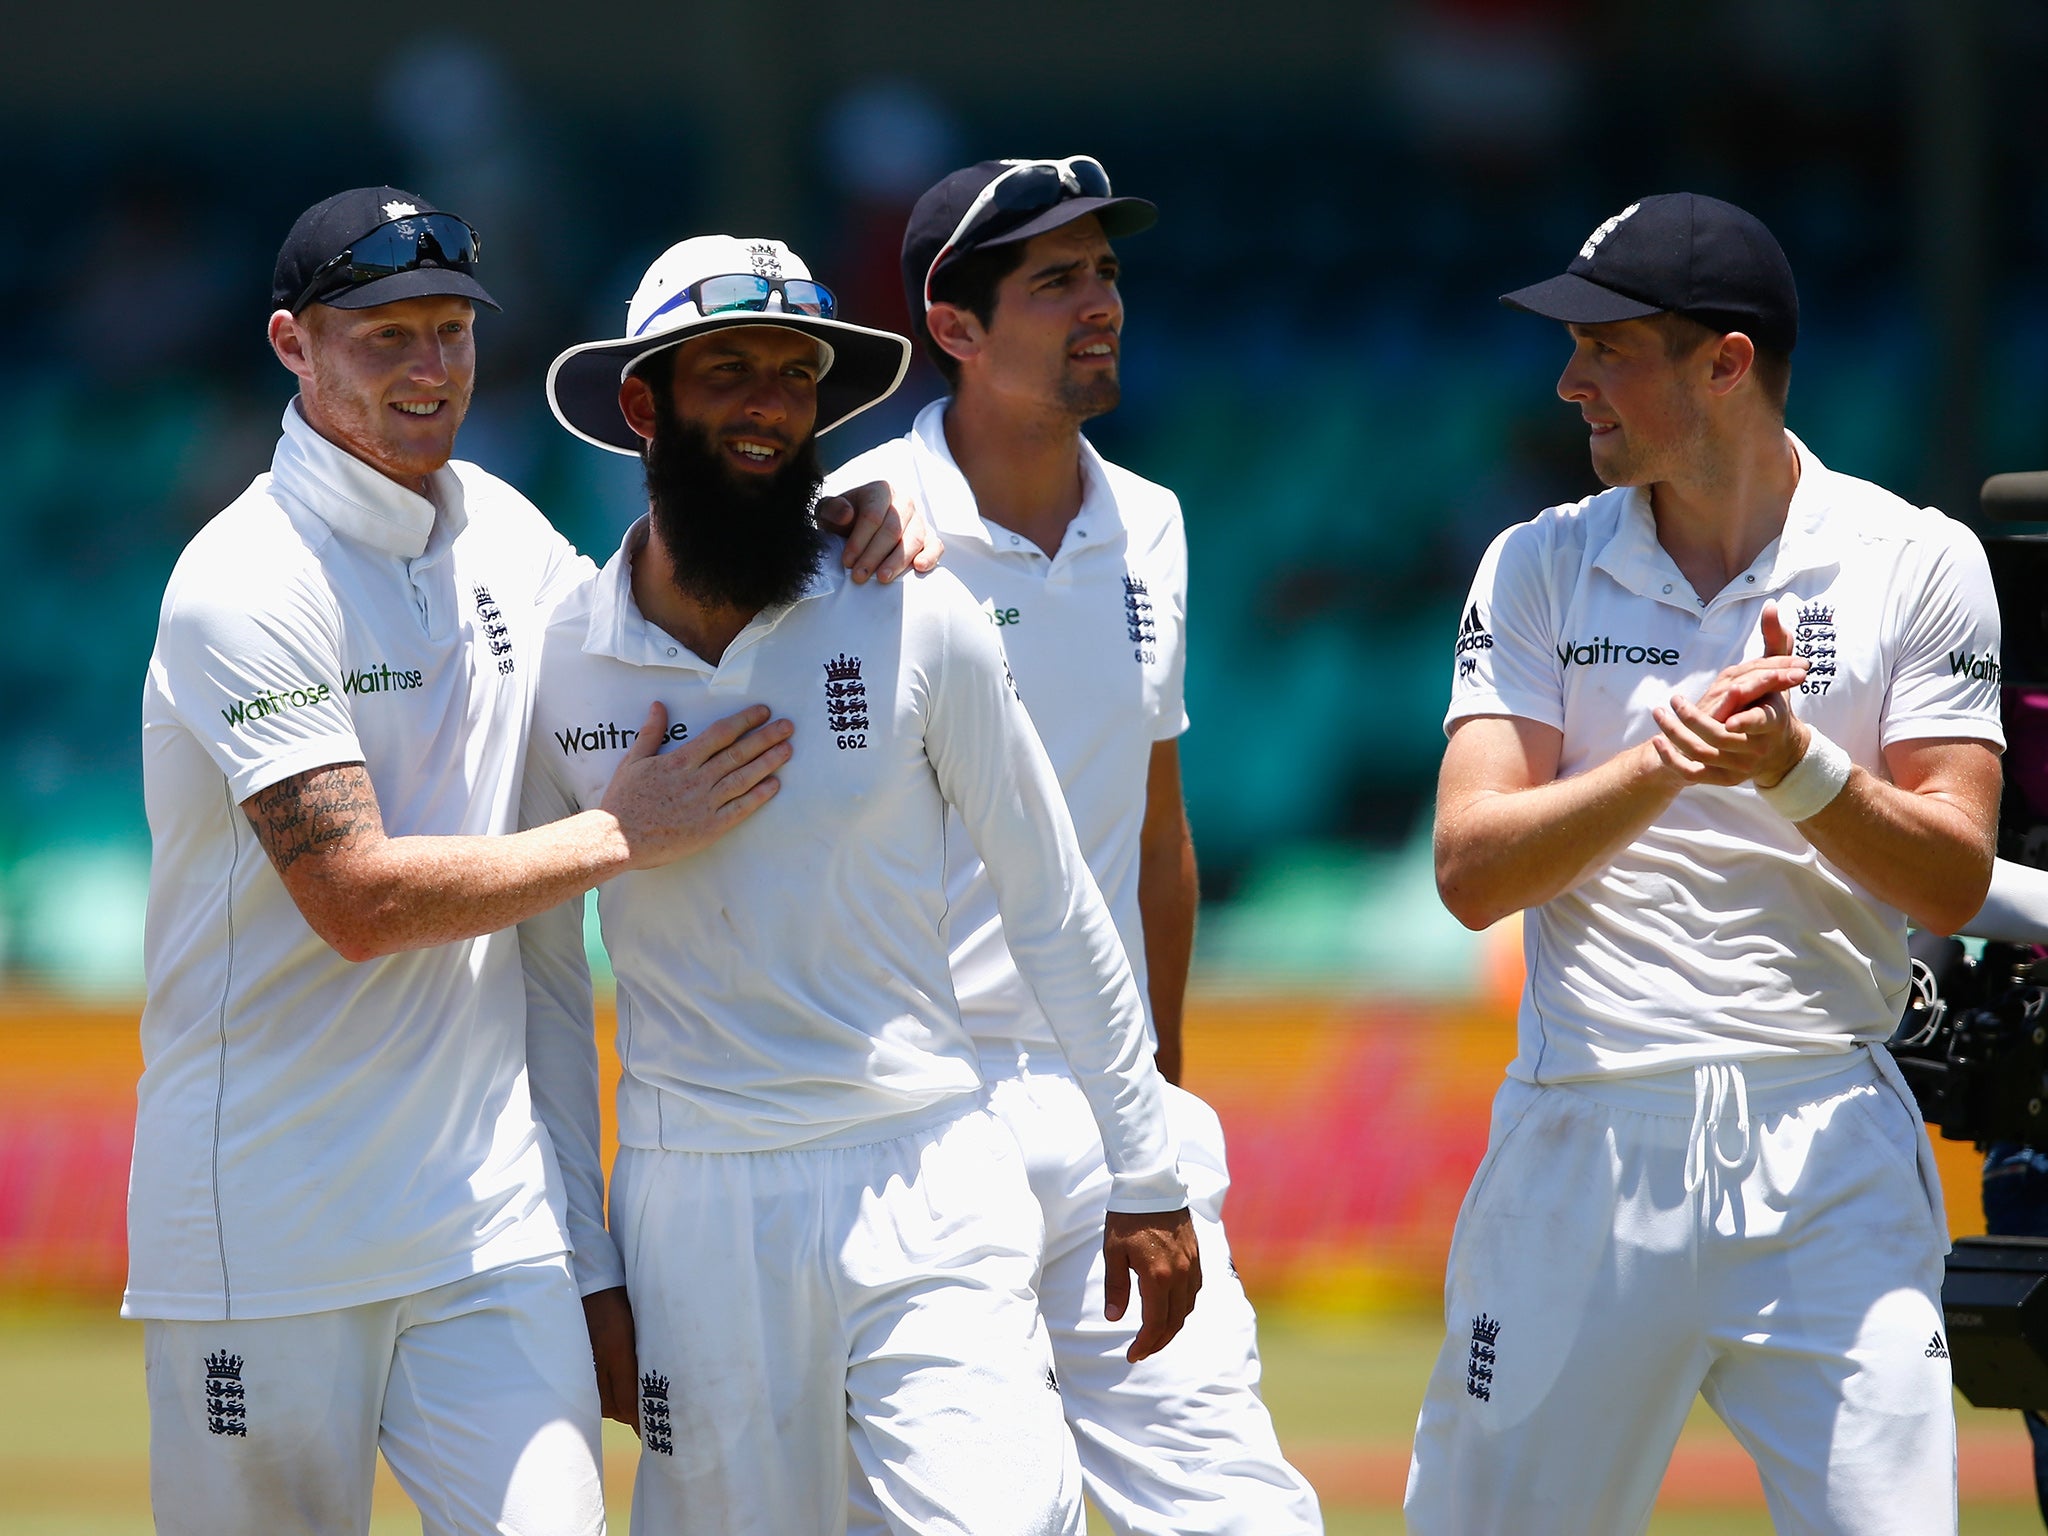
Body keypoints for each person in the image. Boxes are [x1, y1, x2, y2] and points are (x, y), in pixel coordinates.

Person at [128, 187, 932, 1536]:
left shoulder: (504, 531)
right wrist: (621, 832)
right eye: (384, 335)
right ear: (291, 344)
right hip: (262, 1231)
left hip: (484, 1231)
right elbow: (358, 901)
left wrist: (829, 501)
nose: (429, 365)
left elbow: (671, 616)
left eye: (449, 330)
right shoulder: (242, 579)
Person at [519, 232, 1201, 1536]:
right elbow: (543, 988)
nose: (772, 402)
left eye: (796, 372)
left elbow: (1055, 897)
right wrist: (584, 1261)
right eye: (729, 370)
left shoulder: (914, 606)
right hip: (692, 1197)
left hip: (924, 1165)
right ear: (642, 402)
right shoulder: (563, 656)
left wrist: (1148, 1171)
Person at [1407, 192, 2004, 1535]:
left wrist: (1793, 768)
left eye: (1605, 349)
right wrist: (1664, 763)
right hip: (1583, 1135)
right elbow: (1469, 868)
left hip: (1830, 1150)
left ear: (1723, 364)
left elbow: (1952, 878)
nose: (1568, 384)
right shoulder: (1536, 565)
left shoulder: (1921, 561)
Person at [824, 156, 1322, 1535]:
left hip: (1105, 1106)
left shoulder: (1150, 522)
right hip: (918, 1113)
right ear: (957, 326)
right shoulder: (848, 527)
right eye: (1055, 281)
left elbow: (1156, 827)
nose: (1100, 302)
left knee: (1242, 1517)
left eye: (1105, 272)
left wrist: (1151, 1100)